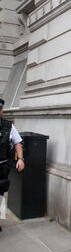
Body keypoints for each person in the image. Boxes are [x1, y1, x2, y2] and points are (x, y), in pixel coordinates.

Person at [0, 99, 25, 231]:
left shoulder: (8, 126)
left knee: (0, 194)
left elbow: (17, 142)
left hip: (2, 166)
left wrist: (20, 158)